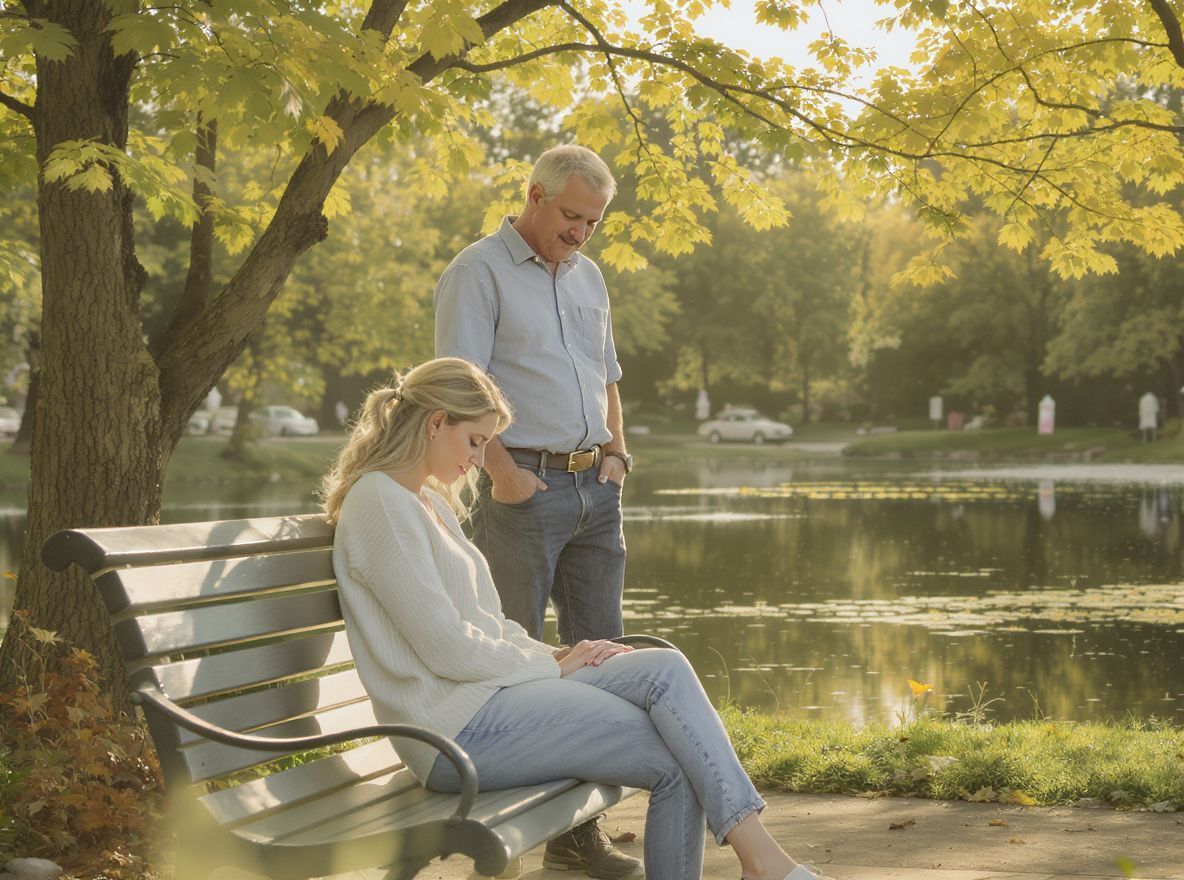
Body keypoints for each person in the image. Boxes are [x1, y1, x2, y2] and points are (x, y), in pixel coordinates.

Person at [320, 357, 836, 880]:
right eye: (476, 441)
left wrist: (557, 654)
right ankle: (766, 865)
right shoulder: (382, 504)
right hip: (452, 732)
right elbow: (448, 649)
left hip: (487, 702)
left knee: (666, 667)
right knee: (676, 755)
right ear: (435, 423)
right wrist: (555, 670)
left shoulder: (424, 500)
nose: (480, 460)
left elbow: (489, 629)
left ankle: (763, 861)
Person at [434, 144, 634, 874]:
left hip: (595, 491)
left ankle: (580, 834)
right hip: (526, 491)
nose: (581, 232)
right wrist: (506, 474)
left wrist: (617, 455)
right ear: (535, 195)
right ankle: (503, 827)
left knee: (602, 659)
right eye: (572, 216)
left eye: (594, 221)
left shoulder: (589, 277)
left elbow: (607, 377)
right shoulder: (476, 272)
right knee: (515, 661)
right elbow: (458, 389)